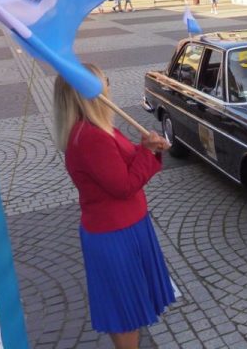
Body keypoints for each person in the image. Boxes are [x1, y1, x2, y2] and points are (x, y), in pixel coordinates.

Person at [53, 63, 175, 349]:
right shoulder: (90, 137)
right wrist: (147, 152)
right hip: (115, 234)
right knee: (124, 310)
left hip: (126, 226)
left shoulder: (97, 128)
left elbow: (123, 167)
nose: (108, 85)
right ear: (88, 93)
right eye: (103, 81)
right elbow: (123, 186)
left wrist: (146, 148)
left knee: (130, 304)